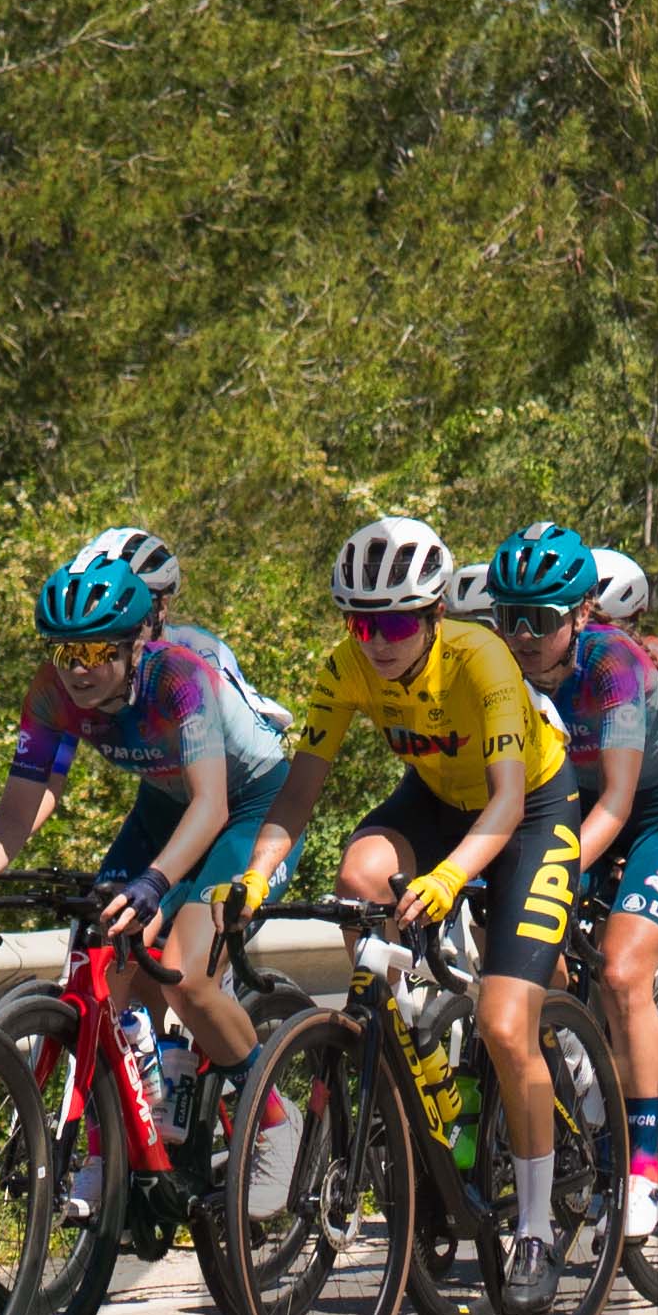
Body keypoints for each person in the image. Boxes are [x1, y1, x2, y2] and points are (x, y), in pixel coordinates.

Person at [256, 512, 580, 1272]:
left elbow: (504, 805)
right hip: (435, 802)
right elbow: (299, 793)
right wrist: (255, 873)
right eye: (361, 625)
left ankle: (533, 1231)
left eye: (398, 621)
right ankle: (418, 1044)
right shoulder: (345, 668)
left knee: (506, 1028)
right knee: (356, 879)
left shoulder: (483, 660)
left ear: (437, 612)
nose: (380, 641)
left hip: (527, 808)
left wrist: (448, 878)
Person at [485, 522, 658, 1260]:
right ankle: (587, 1071)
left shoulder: (615, 665)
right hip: (576, 810)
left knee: (620, 972)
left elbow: (618, 802)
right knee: (531, 959)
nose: (522, 637)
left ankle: (643, 1169)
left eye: (541, 620)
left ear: (582, 614)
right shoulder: (502, 668)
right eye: (506, 618)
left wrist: (549, 874)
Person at [0, 538, 294, 1082]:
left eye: (100, 652)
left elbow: (212, 804)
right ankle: (124, 1138)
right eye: (65, 654)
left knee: (185, 974)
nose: (79, 671)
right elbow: (19, 810)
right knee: (102, 953)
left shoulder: (179, 676)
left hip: (251, 805)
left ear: (133, 645)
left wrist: (154, 883)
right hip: (165, 802)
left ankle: (271, 1119)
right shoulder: (50, 694)